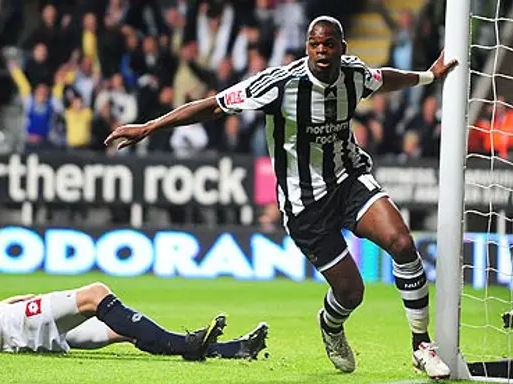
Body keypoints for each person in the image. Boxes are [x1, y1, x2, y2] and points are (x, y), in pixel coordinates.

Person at [104, 16, 458, 379]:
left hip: (348, 180)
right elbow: (214, 105)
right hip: (305, 205)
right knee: (351, 292)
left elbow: (385, 78)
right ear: (307, 47)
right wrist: (148, 127)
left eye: (329, 44)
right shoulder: (280, 84)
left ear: (342, 48)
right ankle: (331, 325)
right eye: (315, 44)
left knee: (401, 242)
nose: (322, 51)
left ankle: (421, 344)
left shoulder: (355, 74)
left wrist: (429, 76)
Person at [0, 239, 268, 360]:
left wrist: (10, 302)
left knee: (117, 330)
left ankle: (232, 350)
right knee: (96, 293)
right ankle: (187, 346)